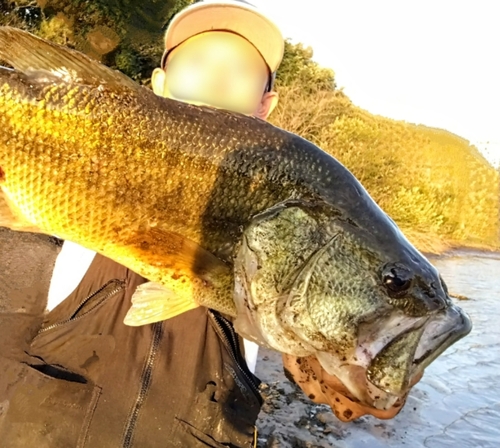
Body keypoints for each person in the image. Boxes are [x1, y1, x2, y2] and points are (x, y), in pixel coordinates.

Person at [0, 2, 404, 447]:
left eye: (242, 69)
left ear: (265, 103)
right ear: (158, 83)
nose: (217, 79)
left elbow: (347, 372)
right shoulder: (54, 191)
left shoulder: (277, 240)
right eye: (197, 61)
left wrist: (340, 363)